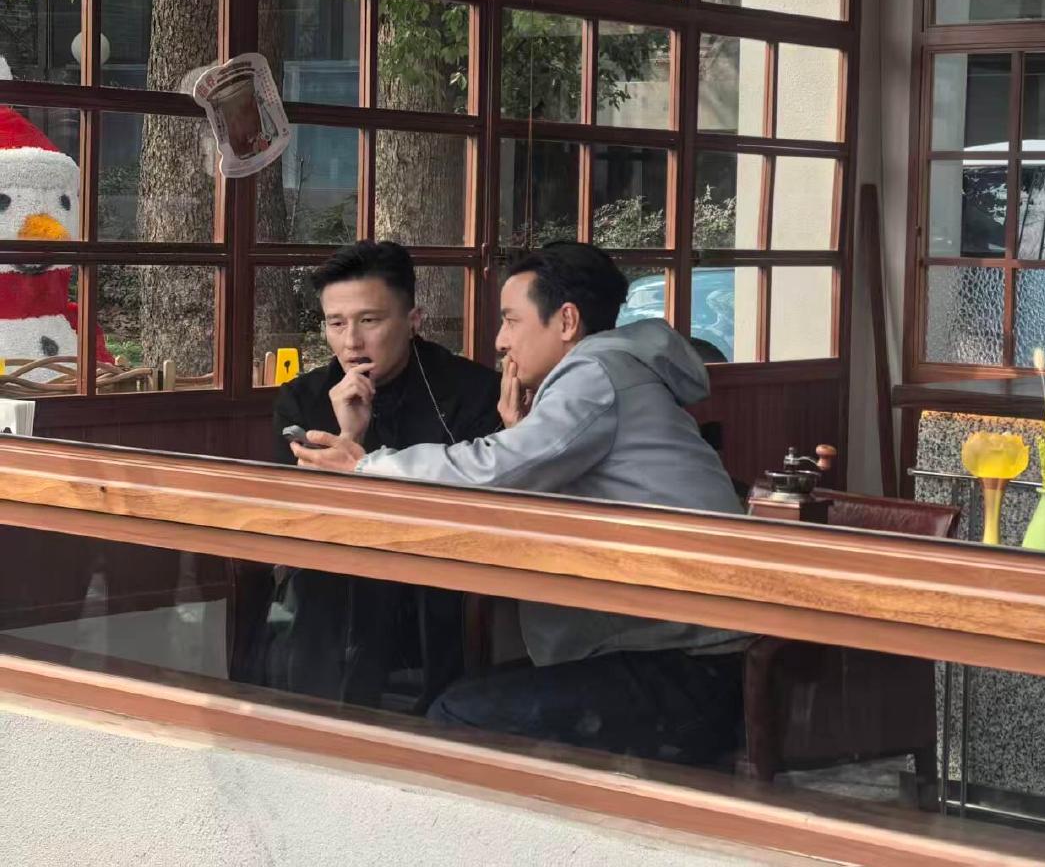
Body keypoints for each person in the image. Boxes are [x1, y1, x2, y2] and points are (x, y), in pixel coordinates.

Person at [293, 241, 748, 765]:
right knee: (458, 701)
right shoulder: (613, 371)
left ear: (566, 321)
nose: (500, 340)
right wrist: (520, 433)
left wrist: (367, 466)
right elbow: (524, 474)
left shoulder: (595, 374)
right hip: (682, 648)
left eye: (511, 320)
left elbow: (493, 469)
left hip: (687, 667)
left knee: (453, 716)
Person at [241, 240, 502, 710]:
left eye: (369, 321)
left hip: (441, 580)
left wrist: (363, 460)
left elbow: (479, 503)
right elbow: (295, 516)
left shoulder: (472, 390)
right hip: (330, 587)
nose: (351, 342)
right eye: (336, 323)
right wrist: (348, 434)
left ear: (413, 320)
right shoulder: (303, 398)